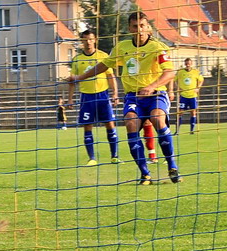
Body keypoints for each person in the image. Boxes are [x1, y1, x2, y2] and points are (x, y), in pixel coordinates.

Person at [68, 12, 180, 185]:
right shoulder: (122, 47)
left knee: (157, 118)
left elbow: (170, 71)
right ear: (129, 28)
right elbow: (103, 65)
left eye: (142, 26)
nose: (139, 30)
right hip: (133, 97)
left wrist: (151, 87)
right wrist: (79, 78)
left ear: (148, 27)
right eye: (135, 26)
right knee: (130, 122)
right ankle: (145, 174)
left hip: (156, 94)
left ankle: (172, 166)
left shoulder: (158, 47)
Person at [66, 30, 120, 166]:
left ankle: (114, 155)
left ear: (95, 40)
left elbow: (110, 76)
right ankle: (92, 158)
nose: (88, 42)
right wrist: (70, 99)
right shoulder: (77, 59)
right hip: (86, 97)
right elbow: (72, 80)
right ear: (82, 41)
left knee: (110, 123)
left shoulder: (103, 56)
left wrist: (115, 94)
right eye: (85, 40)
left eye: (90, 39)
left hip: (103, 95)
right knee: (87, 126)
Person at [174, 57, 204, 134]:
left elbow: (201, 80)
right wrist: (178, 87)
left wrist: (198, 88)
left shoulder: (196, 72)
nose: (188, 65)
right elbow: (174, 80)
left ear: (191, 64)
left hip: (192, 96)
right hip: (183, 96)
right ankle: (177, 130)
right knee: (180, 112)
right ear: (185, 64)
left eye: (189, 64)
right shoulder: (180, 72)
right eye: (186, 64)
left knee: (193, 112)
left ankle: (192, 130)